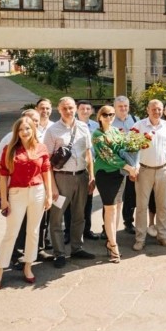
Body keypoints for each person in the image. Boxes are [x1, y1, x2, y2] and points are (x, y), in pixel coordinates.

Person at [0, 117, 52, 291]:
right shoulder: (10, 149)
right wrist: (4, 198)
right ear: (17, 132)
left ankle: (28, 267)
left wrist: (48, 194)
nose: (25, 132)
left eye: (28, 129)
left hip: (38, 192)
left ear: (33, 130)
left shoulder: (41, 148)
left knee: (33, 232)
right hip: (16, 193)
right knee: (11, 233)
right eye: (21, 129)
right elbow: (2, 174)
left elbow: (46, 170)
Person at [44, 97, 95, 268]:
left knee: (79, 215)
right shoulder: (52, 131)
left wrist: (91, 176)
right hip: (61, 178)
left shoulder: (83, 127)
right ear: (59, 109)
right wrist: (52, 186)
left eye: (71, 108)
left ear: (75, 109)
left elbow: (88, 154)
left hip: (81, 177)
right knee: (57, 218)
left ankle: (77, 248)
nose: (68, 111)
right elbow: (47, 161)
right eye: (65, 108)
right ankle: (59, 253)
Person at [91, 106, 137, 263]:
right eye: (105, 114)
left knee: (117, 207)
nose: (109, 117)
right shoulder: (97, 134)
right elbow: (107, 156)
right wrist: (128, 167)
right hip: (105, 175)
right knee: (110, 209)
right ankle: (113, 244)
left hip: (119, 174)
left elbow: (123, 149)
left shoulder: (116, 131)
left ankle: (112, 240)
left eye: (111, 114)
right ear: (100, 116)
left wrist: (136, 147)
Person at [132, 99, 166, 251]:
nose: (157, 112)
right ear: (147, 109)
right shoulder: (138, 126)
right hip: (144, 170)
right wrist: (133, 168)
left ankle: (162, 236)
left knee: (162, 206)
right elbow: (130, 149)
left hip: (163, 170)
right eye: (154, 109)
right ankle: (140, 239)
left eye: (159, 109)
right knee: (141, 207)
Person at [72, 100, 100, 241]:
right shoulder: (72, 125)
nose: (85, 111)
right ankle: (70, 232)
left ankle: (86, 229)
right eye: (82, 108)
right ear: (77, 110)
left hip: (91, 167)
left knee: (88, 200)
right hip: (75, 168)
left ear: (92, 111)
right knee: (72, 202)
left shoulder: (96, 126)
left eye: (88, 108)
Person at [112, 96, 138, 234]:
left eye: (125, 106)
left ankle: (128, 222)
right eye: (120, 106)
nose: (123, 109)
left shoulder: (135, 120)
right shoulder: (110, 122)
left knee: (130, 196)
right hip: (115, 165)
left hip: (132, 165)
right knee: (114, 197)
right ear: (115, 107)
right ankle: (108, 227)